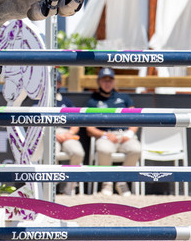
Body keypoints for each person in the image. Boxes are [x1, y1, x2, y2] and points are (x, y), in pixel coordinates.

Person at [85, 67, 141, 196]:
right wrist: (104, 134)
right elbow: (89, 128)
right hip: (105, 135)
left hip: (124, 135)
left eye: (110, 80)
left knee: (136, 148)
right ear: (99, 82)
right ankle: (107, 182)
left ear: (114, 81)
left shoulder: (124, 97)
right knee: (104, 149)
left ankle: (121, 182)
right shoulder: (93, 101)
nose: (107, 83)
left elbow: (135, 118)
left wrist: (130, 133)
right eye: (104, 80)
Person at [52, 71, 85, 195]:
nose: (55, 84)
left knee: (78, 152)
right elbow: (38, 123)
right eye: (53, 82)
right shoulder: (39, 100)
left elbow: (76, 121)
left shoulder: (67, 101)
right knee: (51, 154)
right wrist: (54, 134)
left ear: (60, 84)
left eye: (57, 82)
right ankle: (52, 186)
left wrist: (70, 133)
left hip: (67, 133)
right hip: (50, 133)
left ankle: (70, 186)